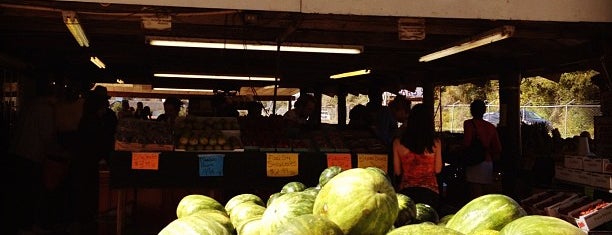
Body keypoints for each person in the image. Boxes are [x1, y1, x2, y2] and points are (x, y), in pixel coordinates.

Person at [6, 79, 65, 234]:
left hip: (18, 152)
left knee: (20, 192)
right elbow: (47, 136)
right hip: (31, 156)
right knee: (29, 193)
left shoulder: (31, 105)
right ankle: (26, 225)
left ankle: (20, 225)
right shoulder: (46, 109)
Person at [393, 103, 443, 211]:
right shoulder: (436, 143)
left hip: (406, 193)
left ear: (410, 120)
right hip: (430, 193)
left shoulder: (397, 143)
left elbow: (397, 172)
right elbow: (438, 170)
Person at [463, 99, 502, 199]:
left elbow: (467, 143)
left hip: (474, 163)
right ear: (484, 111)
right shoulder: (491, 127)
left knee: (475, 196)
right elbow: (497, 148)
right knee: (487, 196)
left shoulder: (468, 124)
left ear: (471, 110)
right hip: (487, 163)